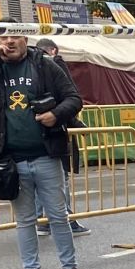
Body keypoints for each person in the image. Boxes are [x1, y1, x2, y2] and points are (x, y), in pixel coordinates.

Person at [0, 33, 90, 269]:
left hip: (46, 154)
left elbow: (73, 98)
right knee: (25, 220)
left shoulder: (42, 63)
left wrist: (56, 115)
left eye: (15, 36)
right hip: (11, 160)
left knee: (58, 217)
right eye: (4, 36)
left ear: (25, 38)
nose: (10, 41)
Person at [33, 37, 93, 238]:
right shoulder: (55, 65)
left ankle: (41, 220)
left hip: (34, 134)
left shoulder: (26, 67)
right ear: (53, 51)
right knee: (60, 178)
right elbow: (70, 98)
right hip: (55, 130)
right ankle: (66, 220)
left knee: (40, 181)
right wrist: (76, 123)